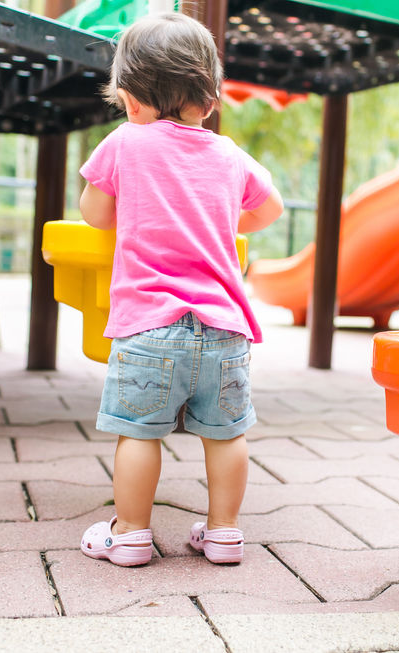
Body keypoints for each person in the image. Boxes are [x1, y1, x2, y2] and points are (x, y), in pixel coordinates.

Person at [76, 11, 284, 567]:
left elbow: (95, 213)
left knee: (139, 434)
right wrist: (217, 219)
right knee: (227, 435)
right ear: (209, 100)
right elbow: (270, 210)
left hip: (150, 327)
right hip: (224, 331)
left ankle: (131, 535)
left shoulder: (126, 142)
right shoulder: (228, 153)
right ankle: (224, 533)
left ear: (130, 100)